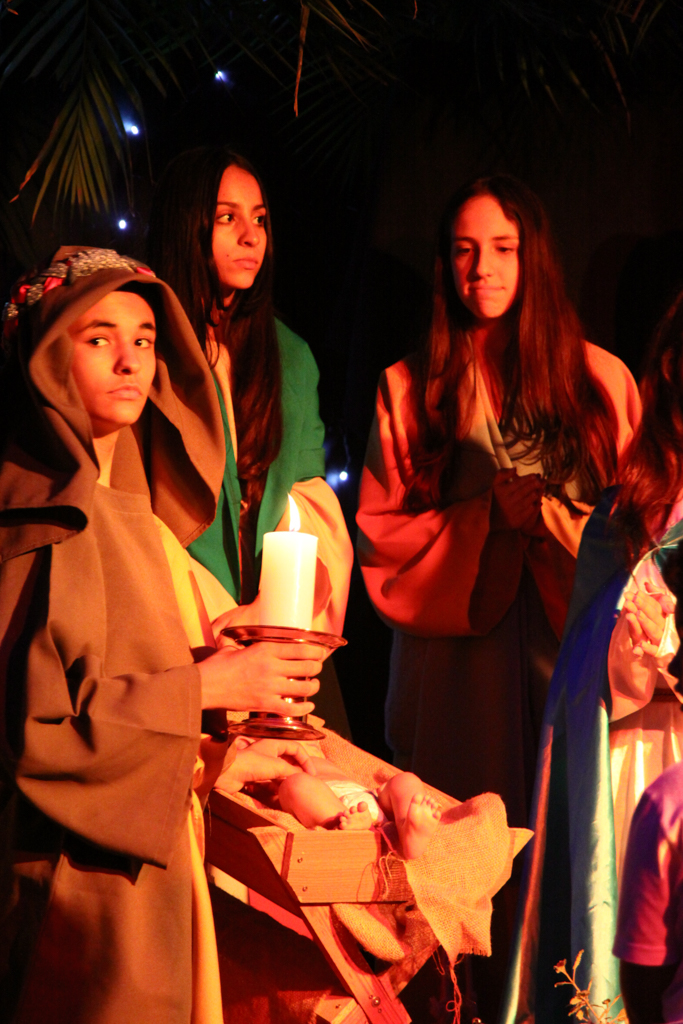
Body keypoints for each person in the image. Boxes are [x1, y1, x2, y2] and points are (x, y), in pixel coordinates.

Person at [0, 247, 325, 1024]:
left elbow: (119, 681)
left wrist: (220, 743)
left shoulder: (126, 509)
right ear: (45, 358)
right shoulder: (39, 516)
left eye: (144, 340)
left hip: (145, 859)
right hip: (77, 887)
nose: (130, 361)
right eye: (98, 338)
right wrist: (207, 686)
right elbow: (36, 731)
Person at [356, 174, 640, 1016]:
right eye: (464, 250)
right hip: (458, 666)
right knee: (459, 859)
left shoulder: (599, 382)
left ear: (532, 257)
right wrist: (482, 518)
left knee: (570, 849)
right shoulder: (410, 388)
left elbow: (642, 530)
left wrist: (553, 521)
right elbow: (383, 534)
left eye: (502, 249)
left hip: (568, 657)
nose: (481, 268)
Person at [501, 284, 683, 1022]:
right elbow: (582, 675)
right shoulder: (625, 512)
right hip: (645, 766)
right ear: (672, 369)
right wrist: (642, 644)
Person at [147, 148, 353, 733]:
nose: (250, 236)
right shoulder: (150, 346)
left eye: (259, 218)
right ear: (187, 224)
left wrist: (277, 609)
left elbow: (309, 499)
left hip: (273, 615)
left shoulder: (290, 355)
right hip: (177, 616)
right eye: (226, 217)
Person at [613, 539, 683, 1024]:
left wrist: (667, 639)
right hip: (631, 746)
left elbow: (642, 985)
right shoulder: (610, 533)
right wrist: (636, 641)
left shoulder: (669, 802)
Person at [234, 736, 442, 860]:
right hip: (334, 807)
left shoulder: (314, 750)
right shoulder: (258, 758)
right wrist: (257, 779)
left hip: (370, 797)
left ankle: (409, 827)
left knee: (404, 780)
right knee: (294, 786)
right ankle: (359, 830)